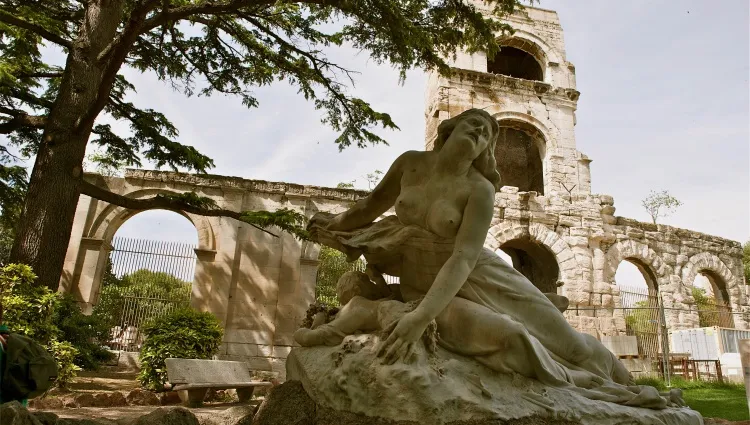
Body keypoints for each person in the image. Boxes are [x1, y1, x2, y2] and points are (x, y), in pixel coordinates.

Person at [302, 108, 682, 409]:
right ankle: (586, 385)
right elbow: (369, 207)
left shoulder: (480, 190)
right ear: (449, 130)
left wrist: (421, 317)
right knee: (514, 339)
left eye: (487, 134)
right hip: (429, 286)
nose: (480, 133)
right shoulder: (411, 163)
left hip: (477, 275)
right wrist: (334, 222)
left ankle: (630, 386)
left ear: (487, 152)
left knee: (571, 345)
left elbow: (465, 257)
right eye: (473, 124)